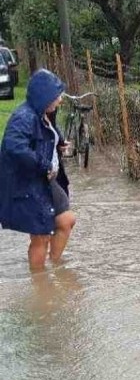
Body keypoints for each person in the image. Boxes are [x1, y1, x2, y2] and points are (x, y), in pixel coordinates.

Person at [0, 70, 76, 271]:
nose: (60, 99)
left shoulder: (43, 113)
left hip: (44, 180)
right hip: (29, 182)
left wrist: (58, 142)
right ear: (44, 96)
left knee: (66, 221)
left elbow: (48, 132)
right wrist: (44, 164)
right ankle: (40, 283)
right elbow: (14, 146)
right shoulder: (24, 117)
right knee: (41, 234)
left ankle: (55, 266)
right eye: (56, 95)